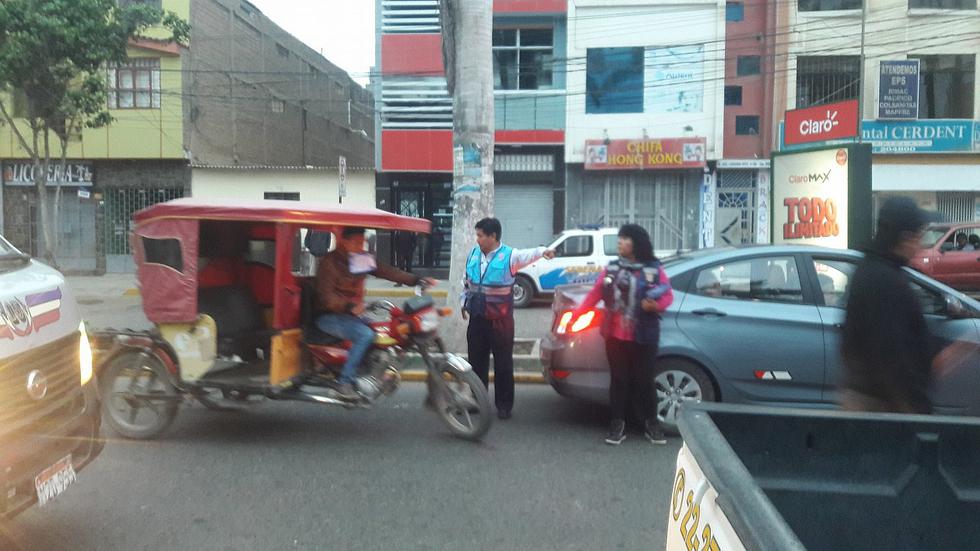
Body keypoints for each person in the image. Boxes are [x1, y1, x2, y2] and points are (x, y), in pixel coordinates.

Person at [575, 224, 673, 445]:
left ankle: (651, 423)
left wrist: (655, 306)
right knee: (619, 380)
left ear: (636, 243)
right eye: (619, 239)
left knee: (644, 381)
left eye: (624, 239)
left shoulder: (654, 269)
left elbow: (667, 295)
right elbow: (596, 293)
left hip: (645, 335)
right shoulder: (612, 269)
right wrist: (578, 314)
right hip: (615, 335)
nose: (619, 242)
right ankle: (617, 423)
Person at [840, 197, 940, 413]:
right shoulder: (885, 281)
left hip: (873, 402)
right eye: (919, 236)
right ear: (905, 238)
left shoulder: (871, 270)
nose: (921, 244)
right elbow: (892, 355)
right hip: (881, 410)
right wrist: (916, 409)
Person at [316, 226, 435, 400]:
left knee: (384, 333)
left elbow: (387, 271)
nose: (361, 246)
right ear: (343, 242)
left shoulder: (360, 258)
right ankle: (344, 382)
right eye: (356, 242)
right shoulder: (330, 262)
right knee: (365, 335)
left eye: (362, 242)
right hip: (327, 315)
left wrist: (416, 279)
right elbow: (325, 297)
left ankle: (370, 373)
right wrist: (349, 307)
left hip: (350, 315)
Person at [462, 218, 554, 419]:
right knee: (476, 363)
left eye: (480, 235)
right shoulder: (473, 254)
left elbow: (527, 255)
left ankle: (504, 405)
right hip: (477, 319)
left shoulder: (509, 256)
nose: (476, 239)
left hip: (500, 321)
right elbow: (466, 282)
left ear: (492, 236)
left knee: (503, 364)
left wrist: (542, 251)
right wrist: (463, 302)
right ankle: (477, 400)